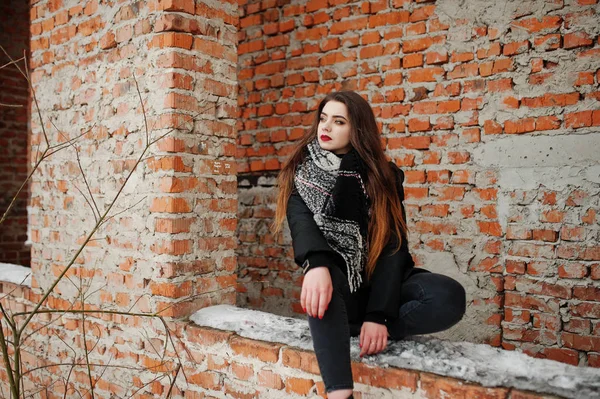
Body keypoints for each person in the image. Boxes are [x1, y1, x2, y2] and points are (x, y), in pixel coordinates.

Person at [273, 91, 466, 399]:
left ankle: (365, 328)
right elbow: (302, 226)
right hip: (338, 285)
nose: (327, 127)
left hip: (382, 283)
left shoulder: (382, 177)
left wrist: (380, 316)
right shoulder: (302, 175)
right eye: (323, 119)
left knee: (448, 296)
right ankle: (340, 393)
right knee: (324, 281)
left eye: (339, 121)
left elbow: (393, 247)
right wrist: (316, 264)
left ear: (357, 130)